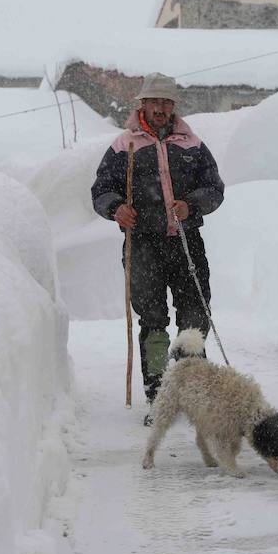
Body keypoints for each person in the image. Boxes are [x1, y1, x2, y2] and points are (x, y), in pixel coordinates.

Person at [91, 72, 224, 423]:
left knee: (194, 317)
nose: (161, 108)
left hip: (185, 243)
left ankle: (193, 392)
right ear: (142, 105)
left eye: (167, 102)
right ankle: (160, 397)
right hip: (143, 245)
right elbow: (101, 190)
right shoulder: (124, 145)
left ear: (173, 106)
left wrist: (191, 205)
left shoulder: (191, 144)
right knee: (152, 320)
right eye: (155, 102)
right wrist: (116, 208)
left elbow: (214, 188)